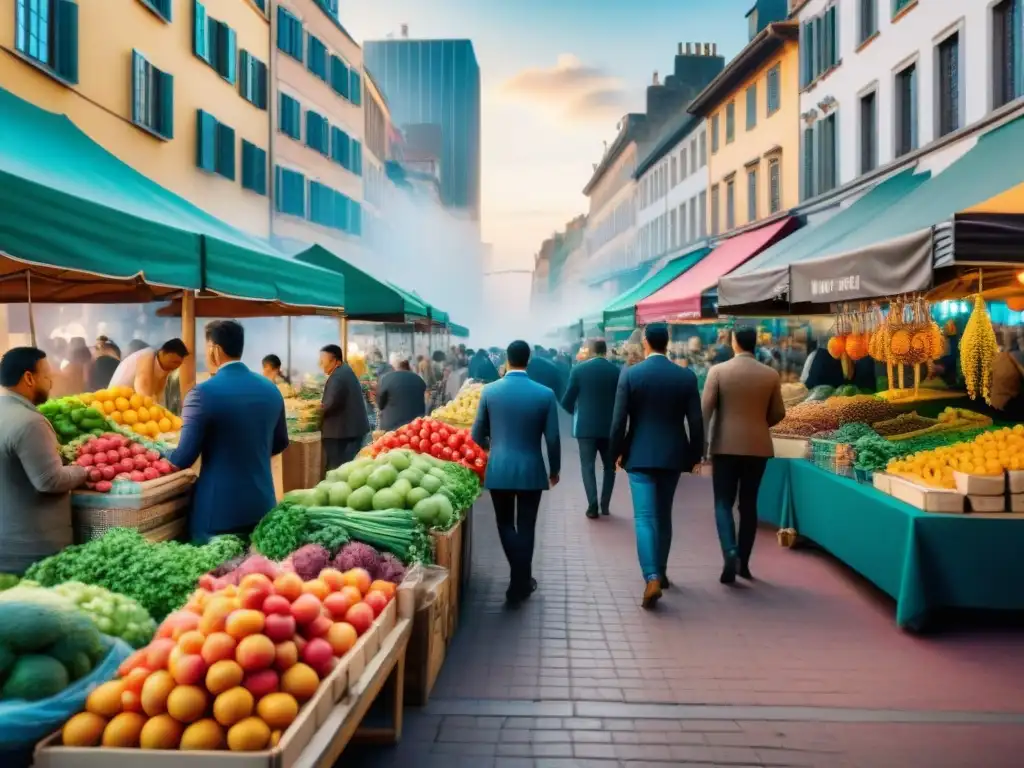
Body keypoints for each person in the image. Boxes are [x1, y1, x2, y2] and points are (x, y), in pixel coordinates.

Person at [609, 322, 704, 609]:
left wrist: (615, 453)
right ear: (668, 343)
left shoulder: (631, 375)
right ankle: (661, 572)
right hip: (673, 455)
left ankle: (650, 575)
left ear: (647, 343)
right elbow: (696, 423)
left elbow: (618, 421)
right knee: (664, 515)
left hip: (639, 455)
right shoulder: (685, 376)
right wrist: (694, 456)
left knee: (644, 518)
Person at [168, 322, 289, 542]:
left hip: (217, 514)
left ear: (215, 350)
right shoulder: (271, 390)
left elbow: (183, 458)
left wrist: (157, 453)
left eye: (206, 347)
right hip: (262, 508)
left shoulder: (202, 394)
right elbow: (279, 444)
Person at [471, 340, 561, 605]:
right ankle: (521, 580)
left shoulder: (489, 391)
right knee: (527, 525)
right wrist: (554, 469)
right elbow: (553, 438)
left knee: (504, 523)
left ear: (507, 360)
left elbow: (477, 435)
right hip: (532, 469)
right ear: (529, 360)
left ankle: (519, 580)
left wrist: (489, 450)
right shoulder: (545, 394)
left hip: (498, 469)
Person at [702, 326, 786, 584]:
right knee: (748, 505)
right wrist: (760, 425)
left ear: (735, 342)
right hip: (757, 448)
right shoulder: (770, 375)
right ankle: (744, 564)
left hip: (724, 447)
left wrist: (702, 444)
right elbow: (779, 413)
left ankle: (729, 550)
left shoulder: (718, 371)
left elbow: (705, 409)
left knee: (722, 503)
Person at [0, 347, 89, 574]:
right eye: (47, 375)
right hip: (32, 551)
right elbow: (49, 480)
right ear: (29, 378)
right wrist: (84, 470)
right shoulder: (30, 422)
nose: (51, 383)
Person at [560, 339, 620, 519]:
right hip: (610, 427)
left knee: (587, 466)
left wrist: (575, 411)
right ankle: (605, 504)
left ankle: (592, 504)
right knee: (610, 467)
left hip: (585, 428)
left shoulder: (578, 370)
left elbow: (567, 400)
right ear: (605, 351)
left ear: (591, 351)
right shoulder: (616, 371)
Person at [320, 344, 371, 474]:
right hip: (350, 430)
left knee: (337, 470)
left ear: (336, 361)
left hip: (342, 433)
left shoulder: (338, 376)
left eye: (323, 361)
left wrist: (315, 411)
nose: (321, 364)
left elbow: (329, 404)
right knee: (347, 468)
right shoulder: (344, 371)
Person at [109, 338, 189, 403]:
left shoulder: (163, 369)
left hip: (130, 404)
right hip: (115, 401)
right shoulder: (148, 355)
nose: (175, 366)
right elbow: (143, 390)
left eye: (179, 364)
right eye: (174, 362)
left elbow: (157, 397)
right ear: (163, 352)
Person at [377, 358, 427, 430]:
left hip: (392, 427)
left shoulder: (386, 379)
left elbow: (380, 404)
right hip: (417, 426)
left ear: (393, 366)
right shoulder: (419, 379)